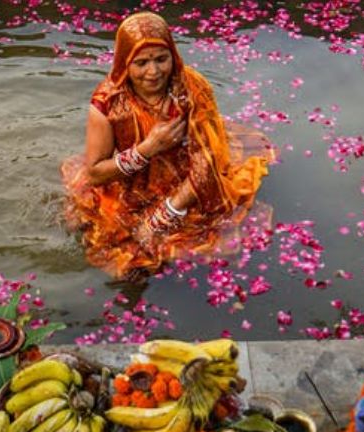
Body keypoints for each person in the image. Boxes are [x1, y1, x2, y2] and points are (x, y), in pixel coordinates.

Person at [61, 12, 273, 281]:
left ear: (173, 54)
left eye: (161, 59)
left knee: (166, 243)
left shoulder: (191, 88)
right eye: (141, 63)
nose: (153, 72)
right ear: (125, 64)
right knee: (112, 249)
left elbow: (206, 159)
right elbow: (95, 173)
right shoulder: (107, 103)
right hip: (130, 181)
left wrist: (165, 215)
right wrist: (148, 149)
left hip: (187, 179)